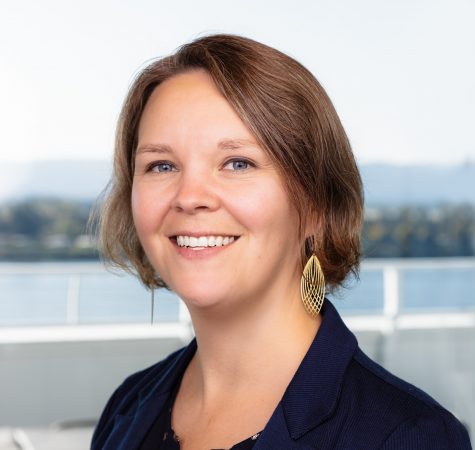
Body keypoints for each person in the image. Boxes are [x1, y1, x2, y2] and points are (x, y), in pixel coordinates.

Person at [91, 34, 471, 450]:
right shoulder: (127, 407)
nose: (189, 197)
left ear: (314, 205)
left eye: (238, 163)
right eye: (161, 165)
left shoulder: (409, 437)